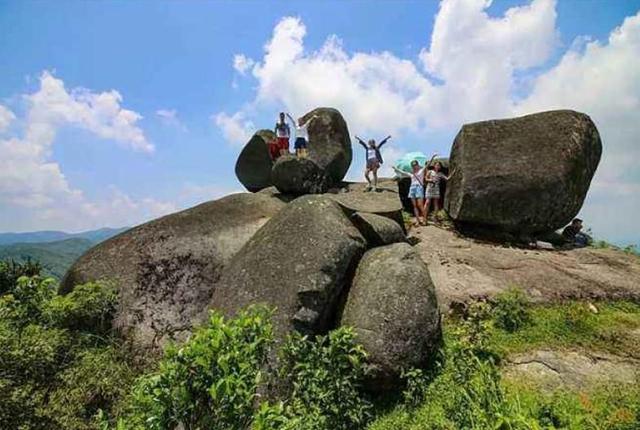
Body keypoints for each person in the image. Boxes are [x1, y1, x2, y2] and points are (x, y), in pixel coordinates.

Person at [393, 155, 436, 226]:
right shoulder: (411, 174)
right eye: (413, 165)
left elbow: (427, 165)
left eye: (415, 165)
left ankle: (425, 219)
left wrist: (432, 157)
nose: (414, 166)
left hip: (419, 187)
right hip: (412, 188)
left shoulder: (421, 171)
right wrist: (395, 168)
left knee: (420, 205)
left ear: (418, 165)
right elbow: (403, 172)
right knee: (414, 206)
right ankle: (418, 220)